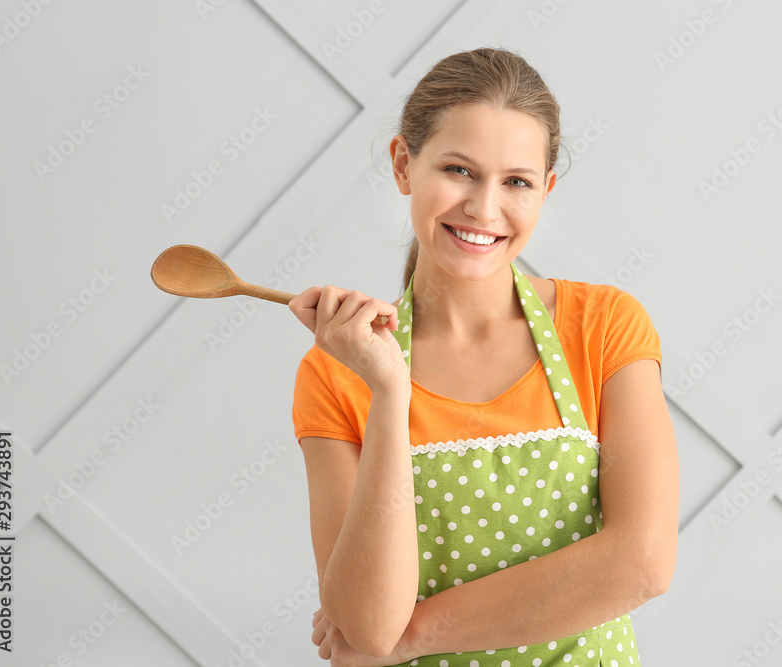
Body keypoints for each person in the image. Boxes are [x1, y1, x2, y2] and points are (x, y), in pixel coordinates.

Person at [288, 46, 679, 667]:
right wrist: (390, 393)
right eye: (459, 170)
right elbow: (366, 623)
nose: (484, 207)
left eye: (516, 182)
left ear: (545, 190)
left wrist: (410, 638)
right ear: (401, 163)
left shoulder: (603, 327)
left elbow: (643, 562)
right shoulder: (340, 372)